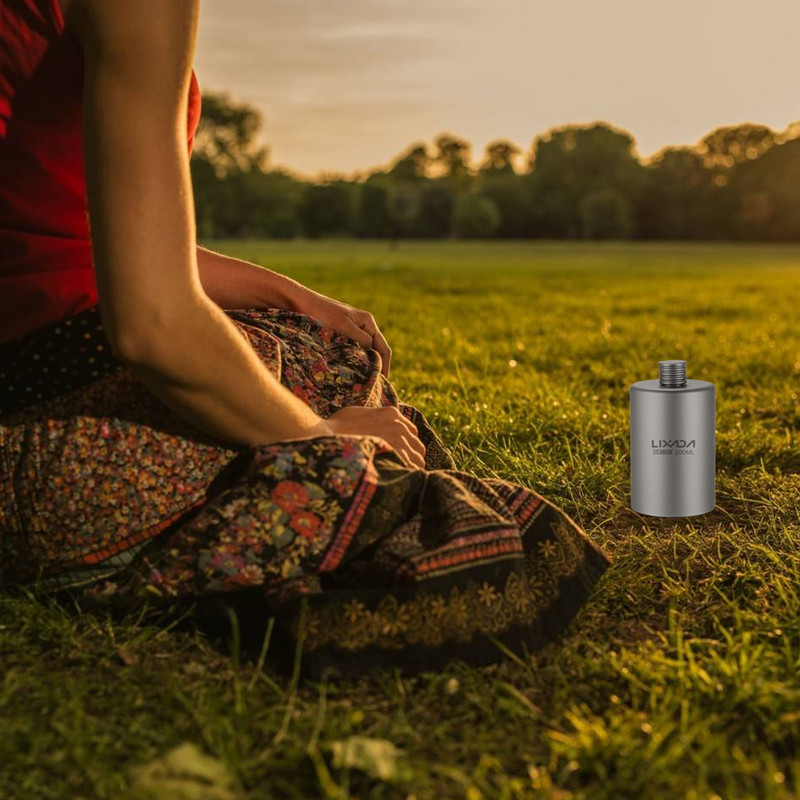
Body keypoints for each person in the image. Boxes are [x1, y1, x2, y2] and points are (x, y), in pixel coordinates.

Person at [0, 0, 611, 679]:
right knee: (337, 370)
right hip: (58, 469)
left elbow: (89, 246)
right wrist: (323, 436)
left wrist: (295, 295)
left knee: (307, 334)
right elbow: (155, 326)